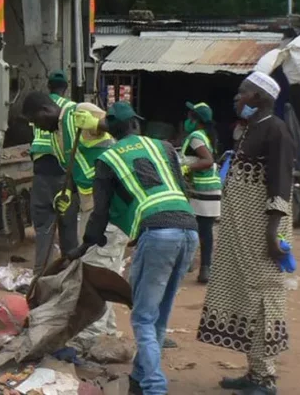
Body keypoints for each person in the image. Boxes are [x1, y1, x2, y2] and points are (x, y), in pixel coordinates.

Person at [68, 101, 198, 395]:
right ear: (136, 125)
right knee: (160, 314)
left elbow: (99, 213)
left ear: (111, 131)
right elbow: (180, 188)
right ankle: (139, 378)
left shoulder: (108, 158)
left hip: (157, 235)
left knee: (142, 317)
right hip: (188, 229)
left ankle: (154, 387)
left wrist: (86, 245)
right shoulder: (164, 147)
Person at [197, 71, 293, 395]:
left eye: (242, 94)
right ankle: (253, 372)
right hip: (241, 229)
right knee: (244, 296)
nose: (237, 99)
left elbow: (280, 184)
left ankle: (266, 379)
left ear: (258, 97)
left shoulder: (276, 131)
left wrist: (272, 232)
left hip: (263, 231)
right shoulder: (252, 128)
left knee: (263, 298)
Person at [21, 91, 126, 348]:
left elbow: (126, 127)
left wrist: (98, 124)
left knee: (96, 273)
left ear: (46, 111)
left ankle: (91, 338)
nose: (37, 128)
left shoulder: (80, 111)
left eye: (35, 121)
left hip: (112, 207)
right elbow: (74, 164)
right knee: (102, 269)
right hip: (93, 208)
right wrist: (68, 191)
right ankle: (107, 333)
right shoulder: (56, 131)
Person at [27, 71, 79, 273]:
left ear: (49, 87)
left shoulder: (39, 108)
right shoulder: (70, 108)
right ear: (65, 88)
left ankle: (41, 274)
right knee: (68, 225)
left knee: (43, 227)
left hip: (41, 170)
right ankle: (70, 272)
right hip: (64, 172)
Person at [180, 102, 221, 284]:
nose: (187, 120)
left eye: (190, 117)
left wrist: (186, 168)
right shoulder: (207, 135)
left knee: (190, 228)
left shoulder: (196, 136)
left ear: (196, 120)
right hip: (211, 189)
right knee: (205, 231)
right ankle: (205, 268)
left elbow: (207, 160)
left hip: (201, 190)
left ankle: (188, 264)